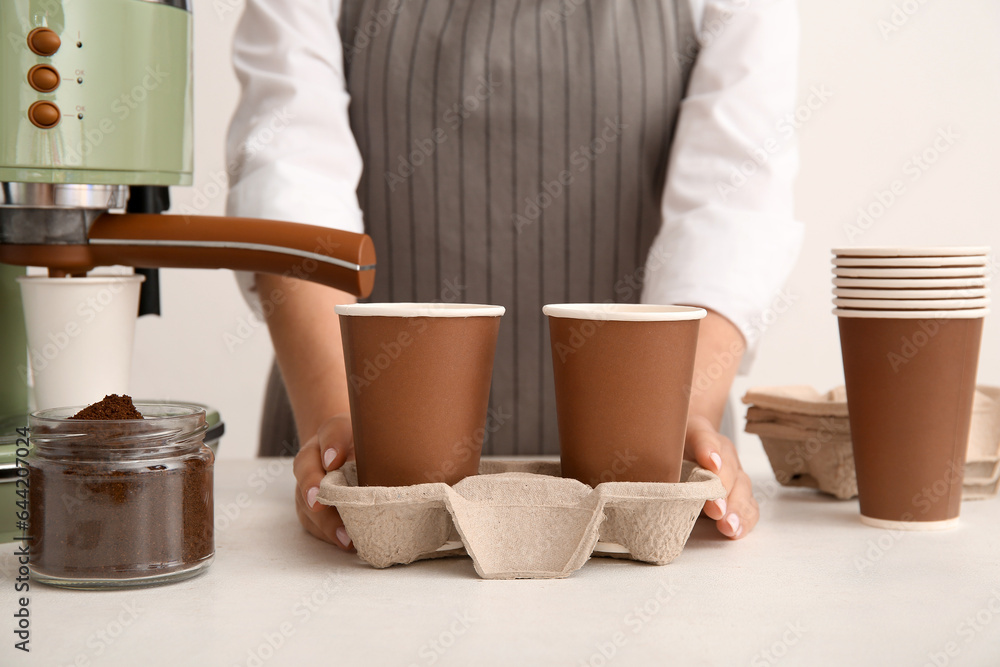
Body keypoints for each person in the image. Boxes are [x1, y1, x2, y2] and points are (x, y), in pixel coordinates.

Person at [225, 0, 803, 549]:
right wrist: (344, 430)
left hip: (651, 456)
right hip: (352, 422)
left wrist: (684, 415)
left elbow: (736, 203)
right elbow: (289, 172)